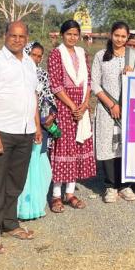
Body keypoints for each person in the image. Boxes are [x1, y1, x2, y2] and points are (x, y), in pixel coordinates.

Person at [0, 21, 43, 255]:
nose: (17, 39)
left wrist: (36, 125)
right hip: (2, 131)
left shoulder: (28, 63)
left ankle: (10, 223)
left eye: (22, 36)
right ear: (5, 35)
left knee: (16, 181)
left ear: (27, 38)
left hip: (24, 131)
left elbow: (32, 96)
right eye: (13, 35)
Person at [48, 20, 97, 212]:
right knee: (63, 148)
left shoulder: (82, 53)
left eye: (75, 34)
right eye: (69, 33)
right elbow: (56, 84)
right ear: (62, 35)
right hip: (64, 104)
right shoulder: (55, 54)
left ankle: (70, 192)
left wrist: (84, 105)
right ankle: (56, 195)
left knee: (77, 147)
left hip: (81, 106)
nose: (72, 37)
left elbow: (89, 80)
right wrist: (72, 106)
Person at [93, 21, 135, 203]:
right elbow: (94, 83)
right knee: (108, 146)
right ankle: (110, 186)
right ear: (111, 35)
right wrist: (111, 105)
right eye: (116, 35)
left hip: (126, 108)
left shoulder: (131, 55)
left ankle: (125, 185)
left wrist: (130, 74)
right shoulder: (100, 55)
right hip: (107, 108)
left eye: (123, 36)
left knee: (123, 146)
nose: (119, 39)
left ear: (127, 37)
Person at [17, 42, 54, 221]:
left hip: (41, 126)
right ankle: (23, 208)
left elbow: (49, 98)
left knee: (42, 168)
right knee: (24, 167)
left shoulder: (43, 75)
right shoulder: (18, 73)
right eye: (33, 54)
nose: (36, 59)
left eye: (40, 56)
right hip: (22, 125)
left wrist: (51, 116)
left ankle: (37, 205)